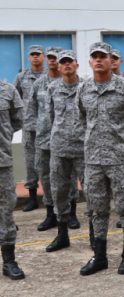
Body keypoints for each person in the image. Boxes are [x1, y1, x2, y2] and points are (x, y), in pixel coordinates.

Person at [77, 42, 124, 276]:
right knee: (97, 209)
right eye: (94, 56)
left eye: (103, 56)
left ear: (111, 60)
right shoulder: (84, 89)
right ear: (89, 61)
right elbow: (81, 119)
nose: (98, 60)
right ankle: (100, 257)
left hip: (120, 159)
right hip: (94, 160)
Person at [45, 50, 89, 253]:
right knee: (59, 192)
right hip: (60, 148)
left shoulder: (87, 87)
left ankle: (94, 236)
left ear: (77, 65)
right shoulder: (52, 88)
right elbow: (50, 117)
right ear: (58, 67)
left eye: (70, 61)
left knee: (91, 192)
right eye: (63, 62)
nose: (67, 65)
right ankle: (62, 235)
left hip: (84, 149)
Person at [27, 47, 63, 231]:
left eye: (56, 58)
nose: (52, 60)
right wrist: (36, 130)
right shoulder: (39, 84)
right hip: (42, 140)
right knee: (46, 178)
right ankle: (50, 214)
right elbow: (30, 110)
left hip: (66, 141)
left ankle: (69, 213)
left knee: (67, 178)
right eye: (50, 57)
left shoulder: (73, 83)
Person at [14, 45, 46, 212]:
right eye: (32, 54)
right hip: (28, 128)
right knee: (30, 163)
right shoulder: (21, 77)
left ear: (44, 57)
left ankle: (52, 198)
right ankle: (33, 198)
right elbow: (16, 101)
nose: (35, 57)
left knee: (50, 164)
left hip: (48, 128)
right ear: (28, 57)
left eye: (38, 54)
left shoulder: (50, 76)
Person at [0, 77, 26, 280]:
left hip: (2, 161)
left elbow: (18, 120)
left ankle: (9, 262)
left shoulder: (7, 90)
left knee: (5, 211)